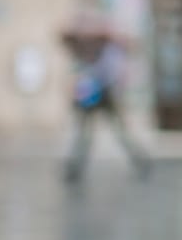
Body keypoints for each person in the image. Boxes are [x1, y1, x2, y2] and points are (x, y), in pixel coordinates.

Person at [62, 15, 151, 182]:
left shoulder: (107, 51)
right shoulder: (97, 51)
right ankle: (74, 168)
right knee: (86, 133)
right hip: (97, 92)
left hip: (104, 93)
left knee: (116, 131)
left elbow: (110, 72)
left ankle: (140, 160)